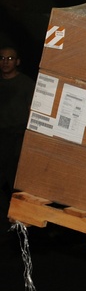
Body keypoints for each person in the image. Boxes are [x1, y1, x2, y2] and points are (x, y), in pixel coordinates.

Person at [1, 45, 35, 215]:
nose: (5, 62)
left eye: (10, 58)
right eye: (2, 58)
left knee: (15, 181)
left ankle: (19, 216)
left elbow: (32, 111)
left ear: (18, 62)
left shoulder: (26, 84)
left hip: (17, 139)